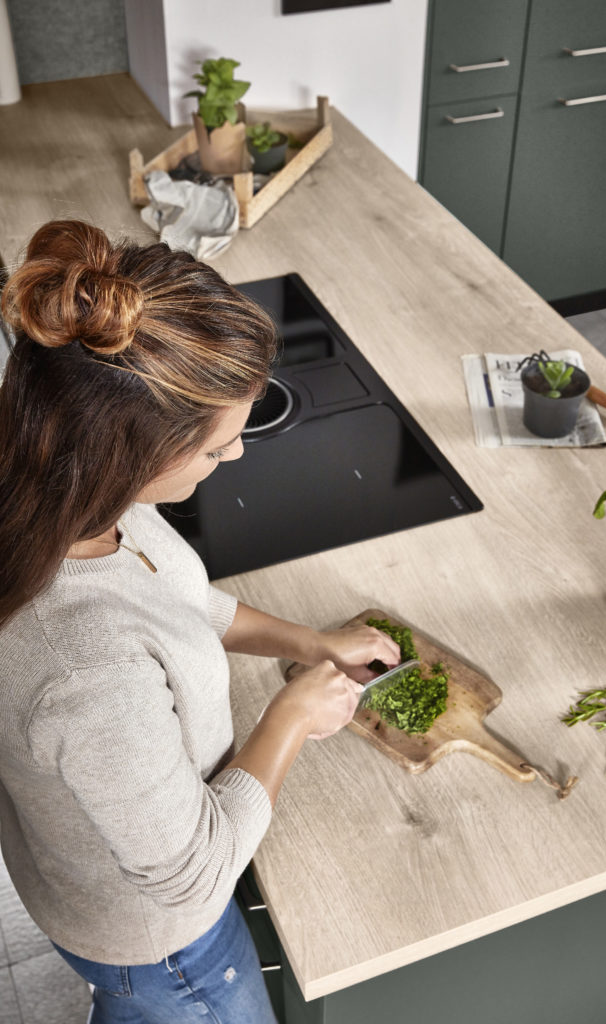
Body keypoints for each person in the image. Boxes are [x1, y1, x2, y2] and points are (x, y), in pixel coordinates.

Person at [0, 220, 400, 1024]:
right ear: (140, 452)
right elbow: (191, 875)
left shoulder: (71, 493)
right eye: (219, 450)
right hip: (163, 943)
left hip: (84, 874)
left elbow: (170, 599)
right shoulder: (86, 666)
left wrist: (304, 642)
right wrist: (289, 715)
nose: (239, 458)